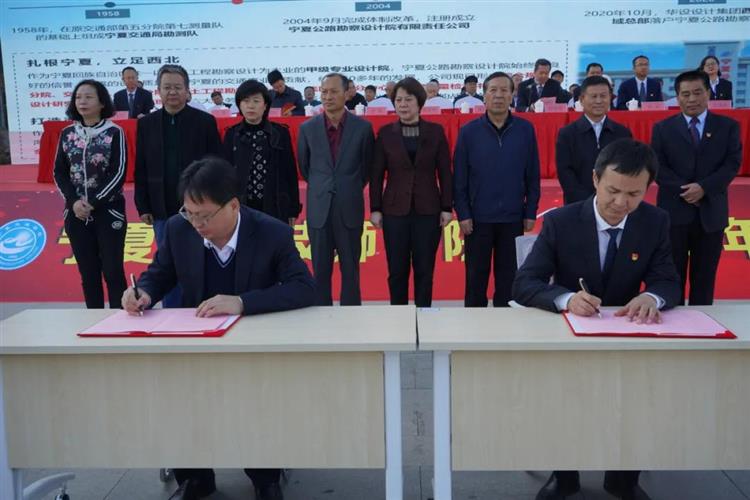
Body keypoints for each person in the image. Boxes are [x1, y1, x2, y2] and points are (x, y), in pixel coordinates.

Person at [123, 158, 315, 500]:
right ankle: (195, 478)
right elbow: (160, 273)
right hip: (197, 342)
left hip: (253, 347)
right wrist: (144, 293)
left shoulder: (271, 233)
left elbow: (303, 287)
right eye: (189, 213)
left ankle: (264, 478)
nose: (197, 224)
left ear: (233, 206)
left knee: (256, 402)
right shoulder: (179, 230)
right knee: (182, 398)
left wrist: (242, 302)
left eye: (205, 215)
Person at [513, 138, 680, 500]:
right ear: (595, 179)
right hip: (571, 334)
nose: (621, 203)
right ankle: (565, 476)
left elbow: (668, 280)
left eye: (634, 194)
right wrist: (566, 299)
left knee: (636, 399)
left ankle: (623, 478)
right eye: (613, 191)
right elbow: (525, 283)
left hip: (627, 333)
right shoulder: (561, 222)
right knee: (564, 401)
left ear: (648, 189)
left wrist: (651, 297)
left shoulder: (655, 221)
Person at [651, 70, 742, 305]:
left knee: (705, 277)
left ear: (708, 93)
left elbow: (732, 164)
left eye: (698, 92)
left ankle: (702, 320)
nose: (692, 99)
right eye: (685, 94)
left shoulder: (728, 126)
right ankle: (674, 321)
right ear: (677, 97)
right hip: (674, 212)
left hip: (711, 213)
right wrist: (685, 189)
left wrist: (703, 187)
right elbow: (657, 166)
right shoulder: (663, 128)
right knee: (673, 275)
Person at [134, 64, 221, 307]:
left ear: (187, 90)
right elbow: (141, 167)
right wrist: (143, 205)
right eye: (167, 87)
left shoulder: (204, 122)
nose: (172, 92)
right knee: (168, 264)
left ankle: (204, 309)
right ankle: (172, 314)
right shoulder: (147, 124)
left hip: (200, 208)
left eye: (177, 87)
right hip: (161, 206)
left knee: (203, 261)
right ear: (158, 91)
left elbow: (216, 164)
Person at [453, 71, 540, 308]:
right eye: (493, 90)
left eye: (504, 90)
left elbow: (532, 174)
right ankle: (474, 325)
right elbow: (459, 177)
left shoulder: (525, 129)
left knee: (509, 280)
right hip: (478, 219)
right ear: (484, 96)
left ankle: (506, 326)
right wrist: (463, 214)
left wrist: (530, 211)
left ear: (512, 95)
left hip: (513, 217)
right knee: (475, 279)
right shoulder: (469, 132)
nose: (498, 95)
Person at [369, 77, 453, 307]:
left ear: (419, 102)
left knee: (424, 269)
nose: (403, 104)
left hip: (428, 210)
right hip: (394, 211)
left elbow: (445, 172)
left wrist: (447, 206)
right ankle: (399, 318)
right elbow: (376, 175)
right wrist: (375, 208)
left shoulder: (435, 132)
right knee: (397, 270)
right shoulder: (386, 133)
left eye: (408, 99)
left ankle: (423, 317)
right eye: (399, 100)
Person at [297, 73, 375, 306]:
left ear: (347, 93)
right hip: (319, 210)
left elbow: (366, 169)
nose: (328, 97)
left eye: (334, 92)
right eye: (324, 92)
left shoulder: (362, 128)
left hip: (349, 207)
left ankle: (351, 321)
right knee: (320, 272)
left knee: (351, 272)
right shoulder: (307, 128)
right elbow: (305, 168)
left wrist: (346, 186)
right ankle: (322, 321)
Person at [53, 79, 127, 309]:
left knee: (113, 271)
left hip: (108, 211)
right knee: (88, 273)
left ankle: (120, 320)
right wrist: (73, 202)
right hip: (76, 214)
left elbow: (119, 172)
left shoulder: (114, 132)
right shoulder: (67, 133)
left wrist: (93, 202)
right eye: (78, 97)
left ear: (102, 102)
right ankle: (93, 320)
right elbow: (59, 172)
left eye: (88, 97)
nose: (82, 101)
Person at [221, 79, 301, 225]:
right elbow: (224, 175)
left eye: (256, 101)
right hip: (241, 207)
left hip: (275, 206)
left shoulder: (280, 133)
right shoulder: (232, 135)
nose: (251, 106)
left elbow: (290, 173)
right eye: (245, 101)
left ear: (265, 105)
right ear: (239, 105)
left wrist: (293, 209)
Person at [556, 76, 632, 204]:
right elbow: (565, 172)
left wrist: (613, 196)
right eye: (593, 96)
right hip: (577, 203)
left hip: (614, 202)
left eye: (603, 96)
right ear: (581, 99)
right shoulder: (567, 133)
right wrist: (587, 201)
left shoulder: (622, 133)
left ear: (610, 98)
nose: (599, 101)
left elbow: (627, 169)